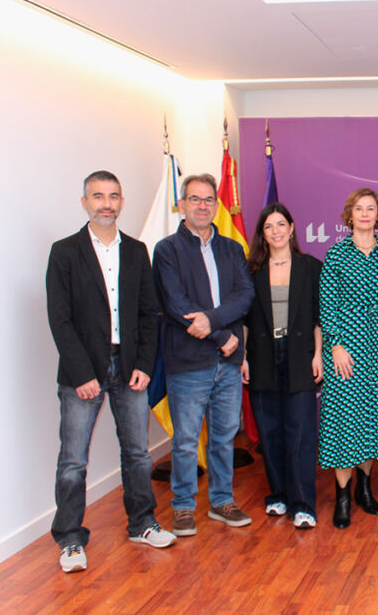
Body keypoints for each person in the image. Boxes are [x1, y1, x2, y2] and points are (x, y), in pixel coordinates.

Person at [45, 170, 175, 573]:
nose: (106, 203)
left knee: (137, 453)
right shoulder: (65, 251)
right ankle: (69, 539)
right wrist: (83, 372)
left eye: (113, 196)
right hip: (83, 368)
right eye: (98, 196)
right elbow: (60, 319)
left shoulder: (137, 251)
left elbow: (148, 315)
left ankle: (142, 523)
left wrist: (143, 365)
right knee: (73, 461)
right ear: (84, 202)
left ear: (121, 201)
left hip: (131, 367)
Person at [152, 173, 255, 537]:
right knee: (184, 439)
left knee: (224, 436)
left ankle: (221, 501)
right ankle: (182, 507)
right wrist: (223, 334)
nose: (202, 205)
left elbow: (244, 296)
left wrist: (213, 324)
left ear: (216, 204)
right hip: (188, 361)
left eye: (209, 199)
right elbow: (176, 303)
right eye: (194, 199)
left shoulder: (232, 249)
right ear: (182, 204)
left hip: (226, 363)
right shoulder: (166, 250)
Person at [319, 188, 378, 529]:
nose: (365, 214)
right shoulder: (336, 256)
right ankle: (342, 496)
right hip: (345, 353)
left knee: (373, 421)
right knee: (344, 423)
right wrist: (335, 346)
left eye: (371, 208)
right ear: (349, 215)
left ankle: (365, 490)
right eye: (358, 208)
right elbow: (327, 304)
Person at [242, 203, 323, 529]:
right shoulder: (251, 271)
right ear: (263, 234)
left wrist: (318, 355)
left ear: (291, 228)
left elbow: (320, 318)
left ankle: (303, 504)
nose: (275, 231)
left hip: (300, 354)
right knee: (270, 431)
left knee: (301, 432)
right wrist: (243, 357)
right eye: (268, 227)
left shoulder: (311, 267)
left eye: (281, 224)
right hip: (261, 355)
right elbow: (244, 320)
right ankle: (278, 495)